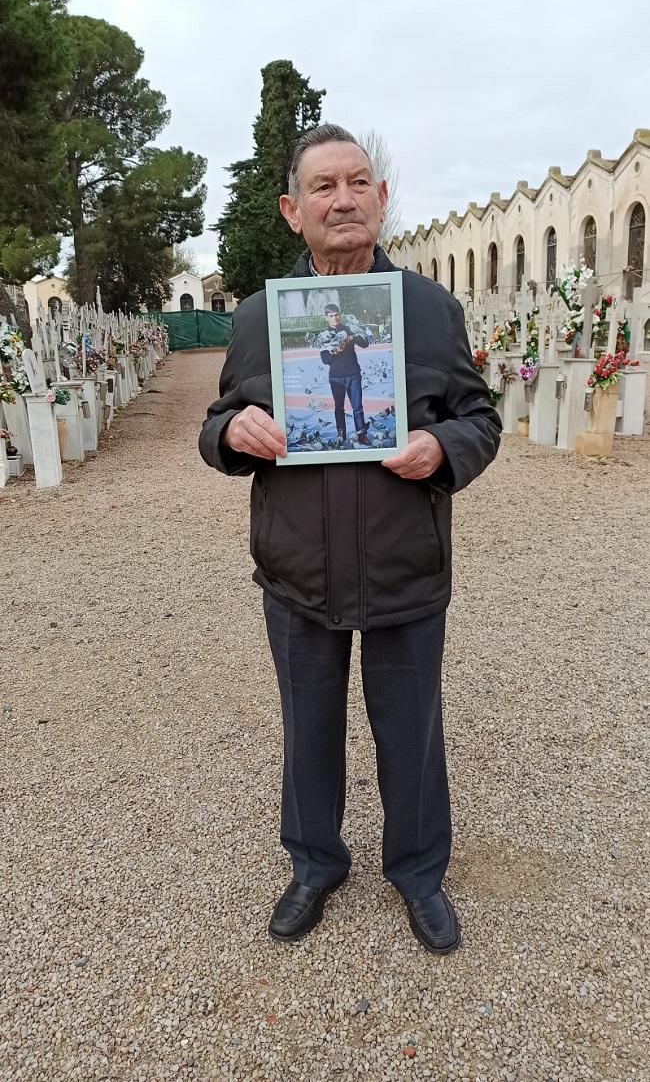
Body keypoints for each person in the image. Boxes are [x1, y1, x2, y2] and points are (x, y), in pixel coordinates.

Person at [198, 124, 501, 954]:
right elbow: (218, 419)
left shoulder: (432, 311)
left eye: (359, 182)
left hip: (405, 566)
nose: (344, 199)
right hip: (297, 569)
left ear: (381, 199)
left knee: (412, 727)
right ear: (295, 210)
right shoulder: (262, 317)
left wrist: (444, 449)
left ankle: (417, 872)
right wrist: (234, 433)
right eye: (324, 186)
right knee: (308, 724)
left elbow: (480, 418)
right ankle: (314, 863)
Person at [317, 303, 369, 443]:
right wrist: (336, 352)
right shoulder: (323, 336)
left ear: (340, 315)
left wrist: (352, 338)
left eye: (337, 315)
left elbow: (365, 344)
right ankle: (341, 435)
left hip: (353, 374)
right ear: (326, 318)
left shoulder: (349, 329)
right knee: (339, 408)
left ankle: (361, 433)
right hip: (336, 377)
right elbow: (325, 359)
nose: (335, 318)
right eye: (331, 316)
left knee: (357, 407)